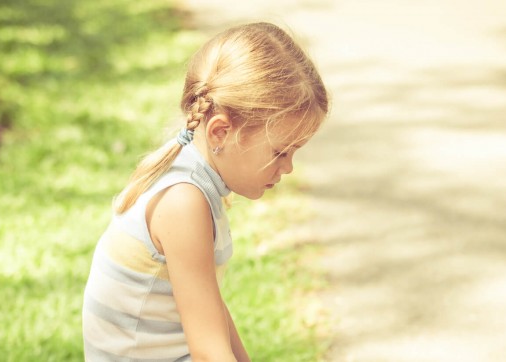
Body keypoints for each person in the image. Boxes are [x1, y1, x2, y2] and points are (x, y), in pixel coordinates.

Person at [81, 22, 328, 361]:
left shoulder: (193, 174)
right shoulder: (183, 202)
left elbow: (211, 312)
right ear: (221, 132)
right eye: (279, 152)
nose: (288, 168)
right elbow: (210, 353)